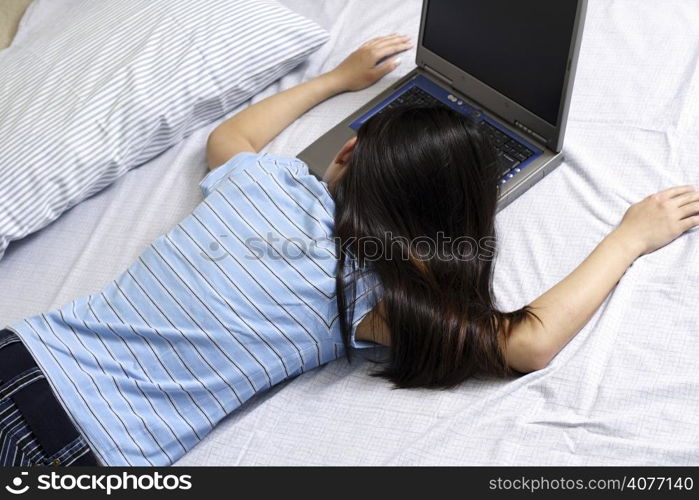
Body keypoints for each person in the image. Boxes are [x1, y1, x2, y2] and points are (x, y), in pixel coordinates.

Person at [2, 34, 698, 467]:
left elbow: (230, 139)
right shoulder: (366, 298)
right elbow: (527, 344)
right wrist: (628, 237)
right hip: (78, 446)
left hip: (21, 355)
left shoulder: (261, 185)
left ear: (344, 152)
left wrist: (335, 81)